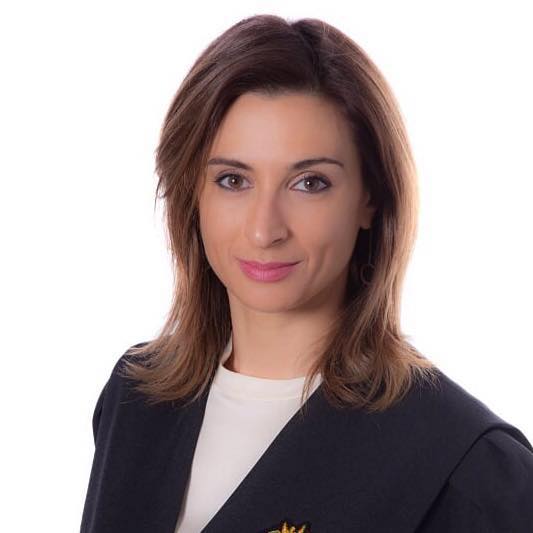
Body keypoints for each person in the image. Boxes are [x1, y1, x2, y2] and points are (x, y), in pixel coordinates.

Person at [79, 14, 533, 533]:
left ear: (371, 198)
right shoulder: (135, 401)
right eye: (233, 180)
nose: (264, 229)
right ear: (191, 192)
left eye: (310, 183)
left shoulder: (468, 470)